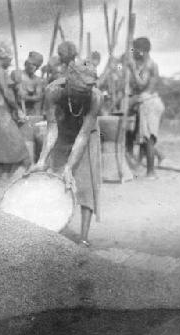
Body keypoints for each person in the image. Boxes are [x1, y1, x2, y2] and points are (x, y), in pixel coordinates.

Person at [30, 61, 102, 247]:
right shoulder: (53, 91)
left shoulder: (95, 97)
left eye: (85, 92)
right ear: (68, 83)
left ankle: (83, 238)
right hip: (62, 131)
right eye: (78, 92)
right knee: (58, 181)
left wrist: (70, 167)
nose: (82, 96)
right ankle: (55, 229)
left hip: (88, 135)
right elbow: (52, 127)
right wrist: (41, 159)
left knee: (86, 184)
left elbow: (83, 135)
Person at [0, 49, 29, 185]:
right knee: (15, 143)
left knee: (3, 144)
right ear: (2, 58)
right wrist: (18, 109)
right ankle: (3, 176)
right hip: (1, 111)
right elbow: (5, 92)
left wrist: (16, 85)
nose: (10, 63)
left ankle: (2, 176)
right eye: (8, 59)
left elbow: (9, 87)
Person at [126, 37, 165, 178]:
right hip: (146, 103)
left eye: (135, 50)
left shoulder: (150, 65)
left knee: (148, 138)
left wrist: (132, 70)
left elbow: (142, 85)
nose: (133, 52)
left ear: (142, 51)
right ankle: (155, 160)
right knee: (143, 136)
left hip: (150, 103)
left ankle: (151, 172)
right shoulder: (143, 64)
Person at [19, 51, 44, 116]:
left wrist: (26, 97)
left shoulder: (37, 80)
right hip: (17, 111)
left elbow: (38, 97)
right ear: (26, 63)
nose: (34, 68)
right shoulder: (18, 75)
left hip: (30, 112)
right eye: (33, 64)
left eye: (37, 66)